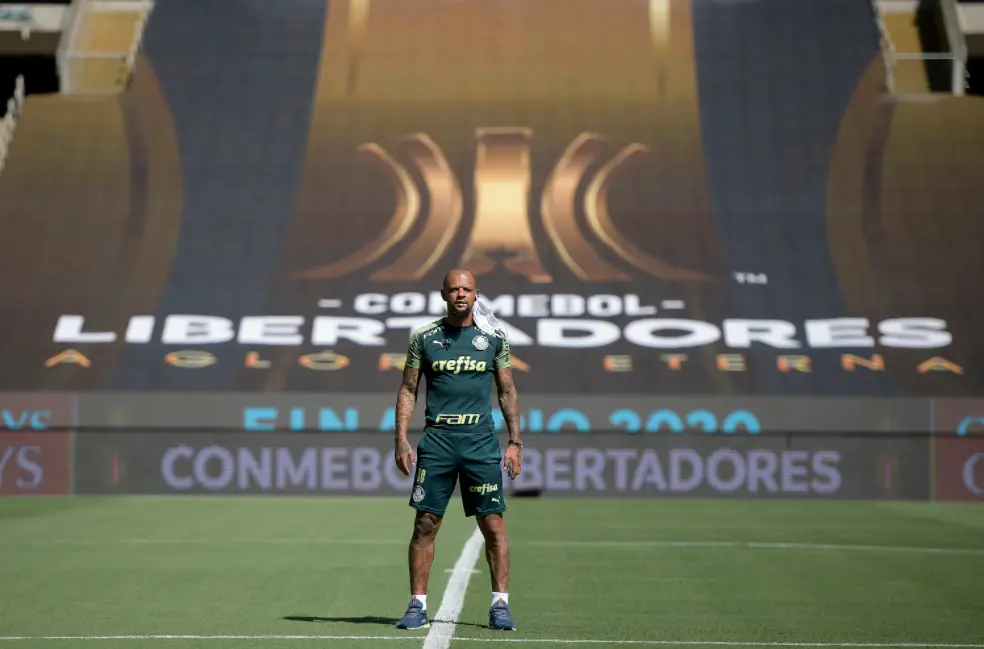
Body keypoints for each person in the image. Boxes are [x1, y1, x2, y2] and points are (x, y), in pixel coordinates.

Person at [392, 267, 523, 632]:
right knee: (425, 524)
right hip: (438, 443)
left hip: (480, 443)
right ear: (443, 294)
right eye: (454, 289)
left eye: (467, 289)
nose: (460, 294)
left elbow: (507, 391)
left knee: (493, 524)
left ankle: (500, 606)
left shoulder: (494, 337)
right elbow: (408, 389)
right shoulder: (424, 337)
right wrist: (400, 437)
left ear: (476, 295)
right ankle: (417, 605)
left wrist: (514, 442)